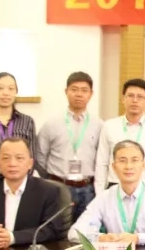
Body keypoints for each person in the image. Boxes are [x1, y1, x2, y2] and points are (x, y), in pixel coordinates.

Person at [0, 137, 65, 247]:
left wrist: (13, 237)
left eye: (19, 158)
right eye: (6, 158)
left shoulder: (48, 191)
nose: (12, 164)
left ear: (30, 163)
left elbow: (52, 230)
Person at [69, 140, 145, 245]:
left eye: (134, 160)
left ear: (144, 165)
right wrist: (100, 238)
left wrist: (138, 238)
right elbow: (74, 232)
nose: (128, 166)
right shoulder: (104, 197)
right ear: (114, 167)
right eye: (122, 161)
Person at [37, 72, 104, 220]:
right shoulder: (51, 124)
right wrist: (52, 180)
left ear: (91, 94)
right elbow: (40, 157)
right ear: (66, 91)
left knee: (85, 230)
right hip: (58, 187)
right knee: (58, 228)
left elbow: (102, 158)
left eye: (84, 90)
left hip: (88, 189)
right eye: (74, 89)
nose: (79, 94)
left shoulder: (99, 125)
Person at [95, 78, 145, 196]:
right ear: (123, 99)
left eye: (140, 97)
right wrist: (100, 193)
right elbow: (101, 162)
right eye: (130, 96)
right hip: (115, 185)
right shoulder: (109, 126)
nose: (135, 100)